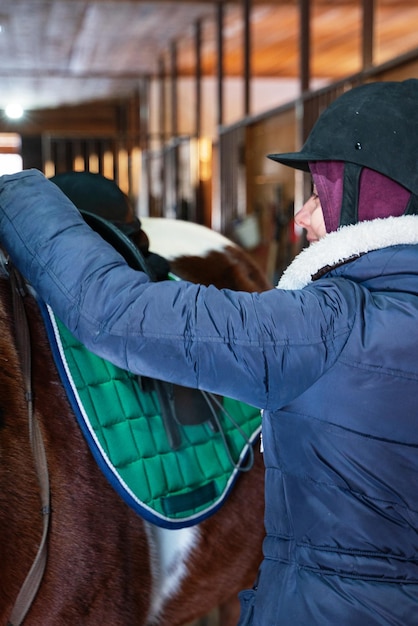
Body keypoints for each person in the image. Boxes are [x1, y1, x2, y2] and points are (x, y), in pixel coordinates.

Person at [1, 79, 418, 625]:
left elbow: (116, 313)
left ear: (374, 200)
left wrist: (14, 188)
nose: (303, 217)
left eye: (323, 192)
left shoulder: (328, 327)